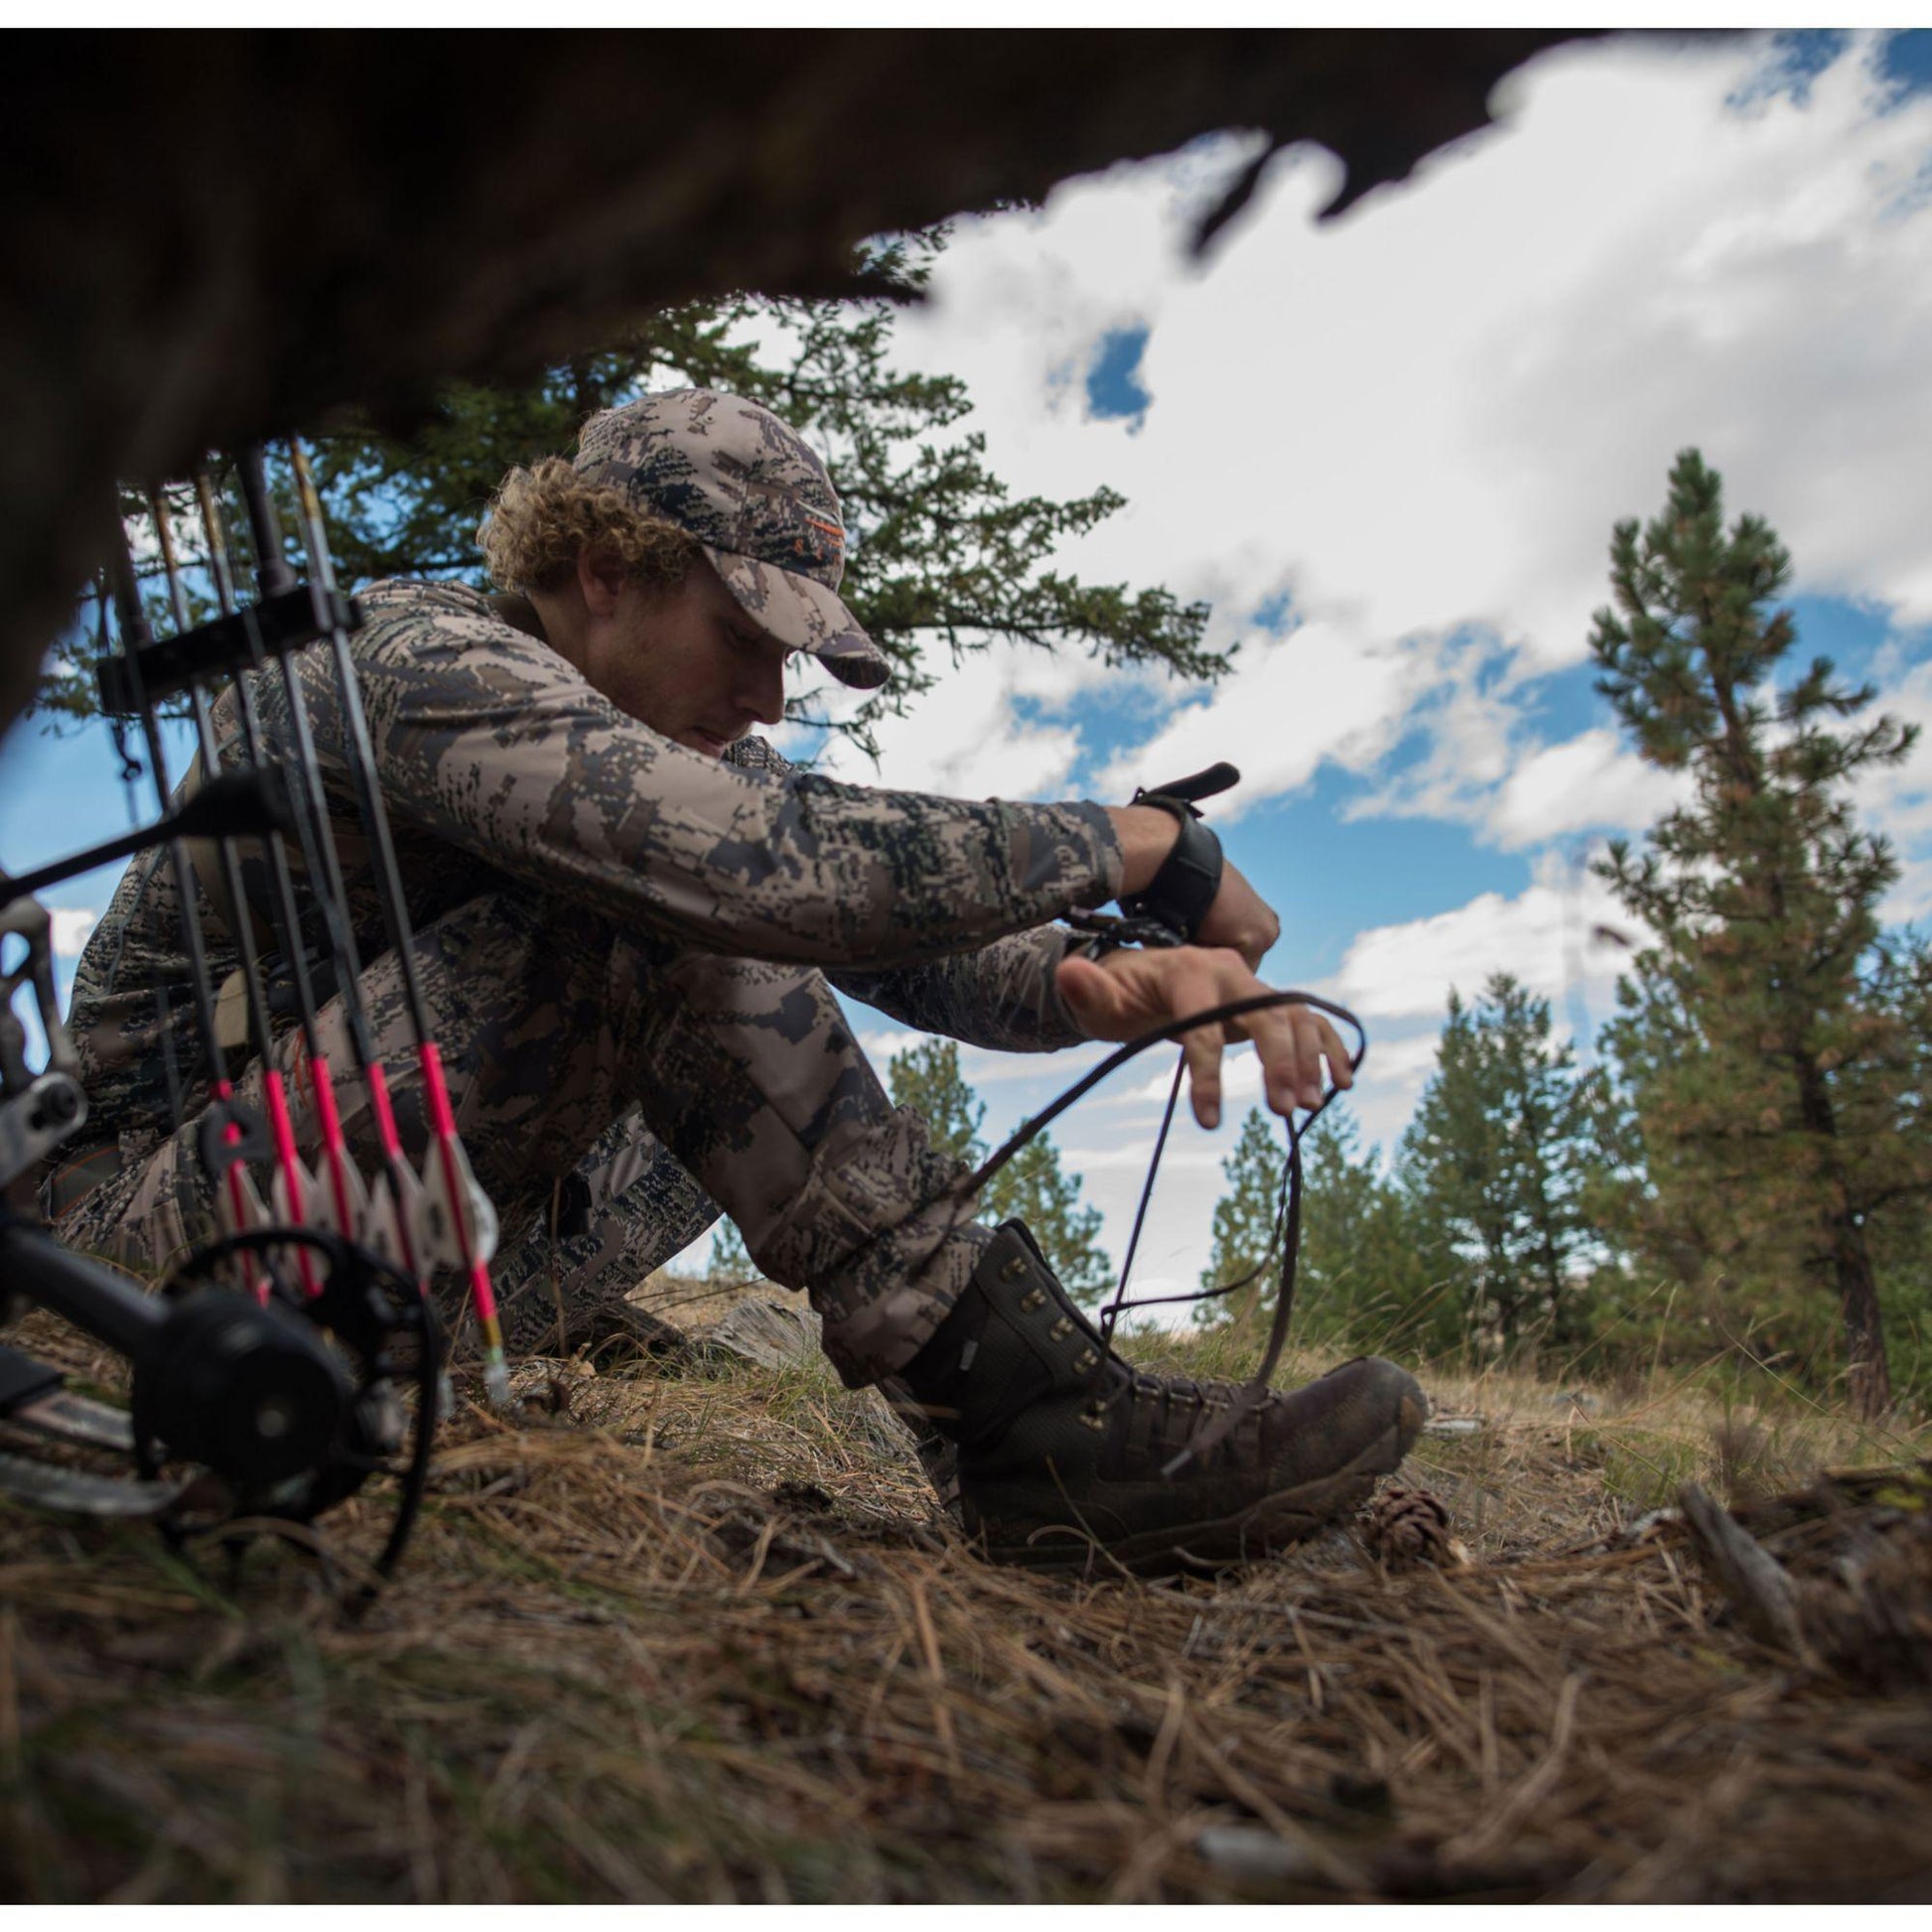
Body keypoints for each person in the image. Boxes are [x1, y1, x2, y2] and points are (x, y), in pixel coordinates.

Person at [53, 389, 1424, 1575]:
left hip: (393, 1249)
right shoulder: (403, 662)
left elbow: (878, 920)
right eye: (746, 635)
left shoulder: (644, 737)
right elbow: (751, 866)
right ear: (601, 566)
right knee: (654, 903)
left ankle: (1029, 1424)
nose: (770, 694)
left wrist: (1083, 984)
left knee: (689, 899)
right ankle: (1032, 1433)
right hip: (131, 1260)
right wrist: (1139, 846)